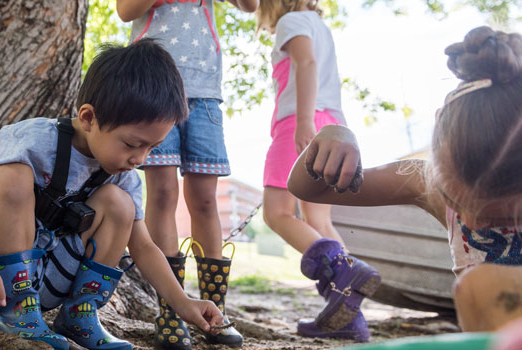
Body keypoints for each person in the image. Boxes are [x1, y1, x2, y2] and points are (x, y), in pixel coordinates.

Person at [0, 39, 223, 350]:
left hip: (56, 277)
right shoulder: (29, 142)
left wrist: (182, 303)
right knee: (11, 175)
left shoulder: (123, 176)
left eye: (151, 147)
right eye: (131, 144)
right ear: (88, 118)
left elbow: (143, 245)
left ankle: (79, 315)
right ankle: (17, 313)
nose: (140, 159)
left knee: (119, 203)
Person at [287, 26, 522, 334]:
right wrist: (333, 136)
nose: (471, 223)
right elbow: (306, 189)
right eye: (457, 202)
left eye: (498, 217)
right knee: (476, 287)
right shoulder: (425, 181)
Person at [115, 0, 258, 348]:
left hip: (205, 93)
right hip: (155, 89)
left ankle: (215, 314)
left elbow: (251, 5)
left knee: (206, 200)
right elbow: (125, 10)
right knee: (162, 194)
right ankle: (171, 313)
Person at [253, 0, 379, 342]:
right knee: (319, 222)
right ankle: (348, 318)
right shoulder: (318, 24)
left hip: (303, 123)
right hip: (332, 125)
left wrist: (303, 122)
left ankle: (344, 271)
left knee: (277, 214)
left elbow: (305, 62)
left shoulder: (291, 20)